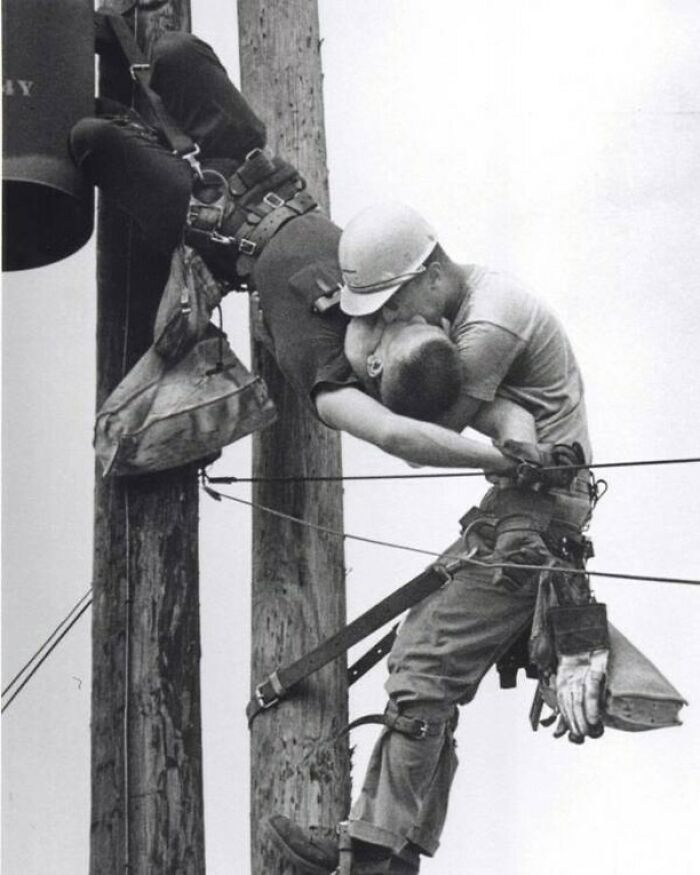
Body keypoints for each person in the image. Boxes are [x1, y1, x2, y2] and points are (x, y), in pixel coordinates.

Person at [270, 204, 609, 874]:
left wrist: (356, 356)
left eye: (393, 305)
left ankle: (372, 853)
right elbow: (490, 416)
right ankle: (390, 848)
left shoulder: (489, 323)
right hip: (518, 512)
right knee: (421, 658)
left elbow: (418, 427)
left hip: (533, 521)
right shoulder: (461, 307)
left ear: (429, 274)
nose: (391, 320)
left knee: (425, 668)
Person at [71, 29, 549, 477]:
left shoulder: (334, 378)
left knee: (91, 138)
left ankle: (116, 115)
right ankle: (135, 101)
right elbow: (511, 414)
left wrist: (496, 465)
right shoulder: (399, 329)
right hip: (255, 168)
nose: (400, 314)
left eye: (400, 328)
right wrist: (523, 453)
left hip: (206, 216)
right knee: (174, 51)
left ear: (376, 366)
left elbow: (396, 436)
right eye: (420, 321)